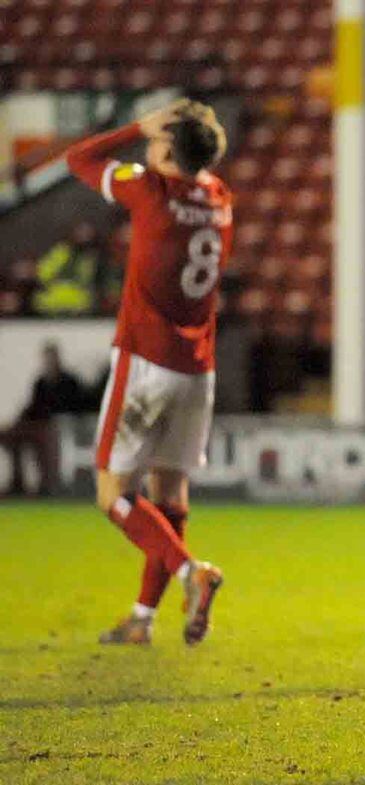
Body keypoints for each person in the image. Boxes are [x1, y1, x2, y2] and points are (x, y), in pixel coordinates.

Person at [64, 99, 232, 646]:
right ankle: (143, 618)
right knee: (170, 495)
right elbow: (196, 161)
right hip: (197, 370)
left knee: (112, 494)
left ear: (166, 150)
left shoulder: (150, 190)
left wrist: (138, 124)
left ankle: (192, 573)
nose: (147, 152)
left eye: (155, 145)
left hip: (145, 362)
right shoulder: (220, 198)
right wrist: (177, 137)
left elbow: (78, 158)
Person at [0, 342, 89, 494]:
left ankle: (47, 485)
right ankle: (17, 483)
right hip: (38, 424)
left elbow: (76, 406)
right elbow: (32, 407)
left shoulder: (69, 381)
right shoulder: (41, 382)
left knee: (46, 439)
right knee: (12, 436)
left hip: (54, 426)